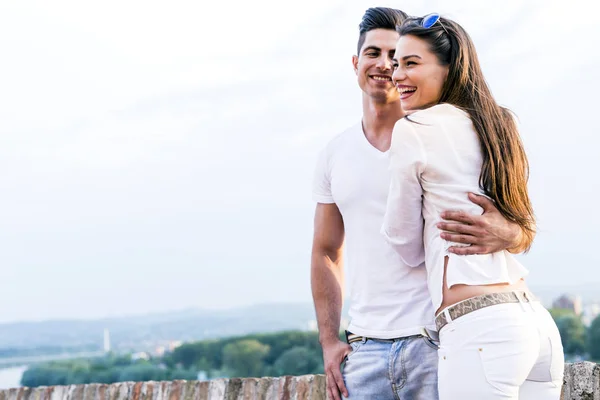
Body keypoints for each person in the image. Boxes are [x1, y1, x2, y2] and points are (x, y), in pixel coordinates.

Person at [311, 7, 532, 400]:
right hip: (366, 350)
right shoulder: (334, 153)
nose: (386, 66)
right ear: (355, 63)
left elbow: (521, 226)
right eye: (374, 54)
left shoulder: (450, 136)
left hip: (440, 339)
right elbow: (326, 250)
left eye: (398, 57)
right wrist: (329, 341)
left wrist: (509, 232)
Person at [381, 13, 564, 399]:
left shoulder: (413, 129)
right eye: (396, 63)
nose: (397, 74)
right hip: (535, 325)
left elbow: (404, 243)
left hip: (480, 330)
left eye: (412, 63)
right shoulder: (500, 124)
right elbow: (522, 226)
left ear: (450, 67)